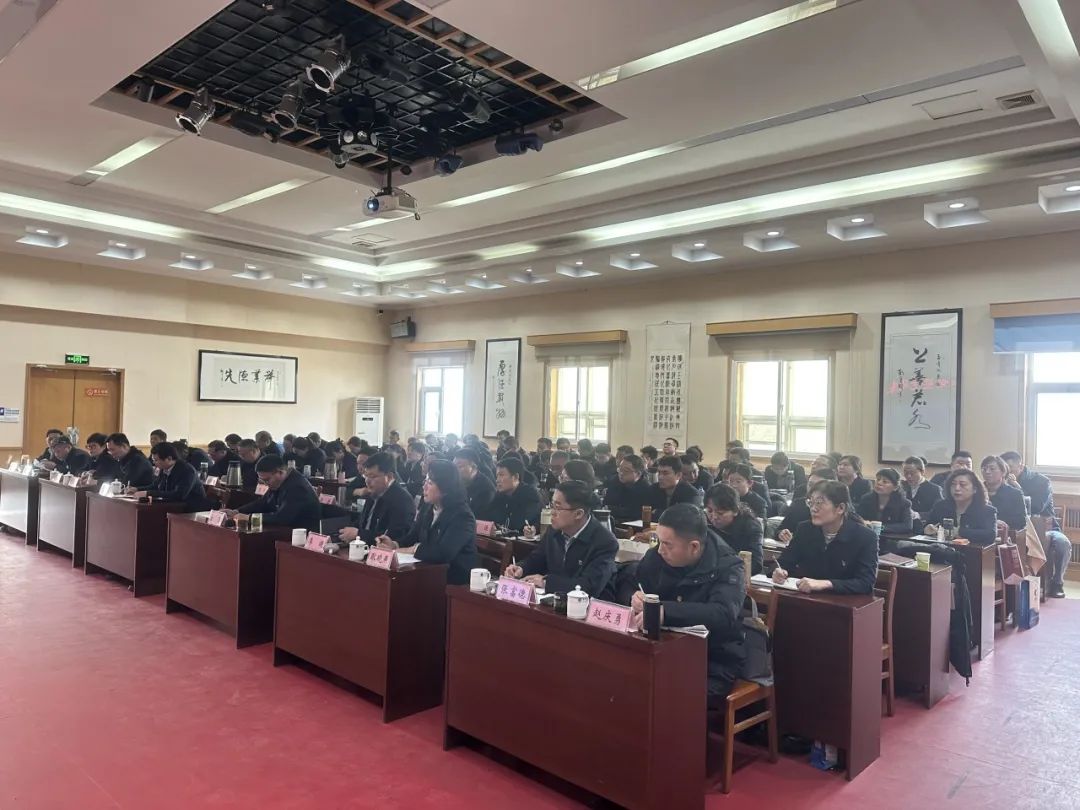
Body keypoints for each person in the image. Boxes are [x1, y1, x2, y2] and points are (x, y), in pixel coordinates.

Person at [616, 503, 747, 705]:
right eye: (659, 541)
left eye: (668, 544)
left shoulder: (728, 566)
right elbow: (628, 581)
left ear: (694, 547)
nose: (660, 550)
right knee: (622, 684)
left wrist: (665, 612)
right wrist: (633, 596)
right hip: (661, 650)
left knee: (671, 698)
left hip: (712, 659)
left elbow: (722, 613)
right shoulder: (658, 555)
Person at [505, 480, 618, 596]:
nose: (552, 512)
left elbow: (589, 586)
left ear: (578, 514)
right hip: (552, 599)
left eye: (557, 508)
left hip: (585, 604)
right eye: (552, 505)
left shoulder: (605, 542)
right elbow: (537, 558)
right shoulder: (554, 530)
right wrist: (521, 568)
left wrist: (546, 582)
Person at [375, 459, 477, 586]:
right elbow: (412, 537)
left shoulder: (462, 516)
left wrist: (411, 550)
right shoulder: (428, 507)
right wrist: (394, 545)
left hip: (452, 580)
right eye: (425, 481)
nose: (424, 487)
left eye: (430, 482)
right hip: (425, 572)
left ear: (446, 488)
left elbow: (443, 554)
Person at [773, 480, 878, 594]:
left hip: (843, 601)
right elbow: (784, 562)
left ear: (840, 508)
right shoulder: (805, 529)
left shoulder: (865, 537)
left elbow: (866, 583)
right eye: (810, 502)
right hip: (805, 598)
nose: (813, 508)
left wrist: (827, 584)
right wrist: (779, 572)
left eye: (819, 503)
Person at [1002, 450, 1069, 598]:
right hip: (1015, 528)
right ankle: (1011, 587)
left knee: (1062, 543)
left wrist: (1017, 488)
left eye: (1010, 468)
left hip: (1044, 528)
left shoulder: (1041, 481)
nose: (1007, 472)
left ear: (1021, 466)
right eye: (1004, 469)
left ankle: (1057, 583)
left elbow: (1036, 508)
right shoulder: (1000, 483)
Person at [339, 452, 415, 546]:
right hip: (361, 547)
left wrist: (358, 534)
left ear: (389, 477)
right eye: (366, 476)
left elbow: (393, 537)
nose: (367, 481)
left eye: (372, 476)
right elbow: (362, 524)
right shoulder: (374, 492)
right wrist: (346, 533)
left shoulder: (402, 500)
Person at [235, 455, 321, 531]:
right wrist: (237, 511)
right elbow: (263, 502)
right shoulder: (279, 482)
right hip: (284, 529)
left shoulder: (297, 487)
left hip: (301, 533)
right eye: (262, 480)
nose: (265, 484)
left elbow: (282, 518)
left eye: (267, 480)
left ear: (280, 472)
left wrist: (249, 517)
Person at [923, 469, 998, 546]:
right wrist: (927, 529)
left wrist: (959, 532)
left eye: (962, 485)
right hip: (942, 549)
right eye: (953, 484)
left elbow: (990, 535)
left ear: (975, 489)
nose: (957, 488)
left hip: (971, 551)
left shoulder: (987, 511)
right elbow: (929, 524)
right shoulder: (941, 506)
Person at [134, 442, 211, 512]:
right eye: (153, 460)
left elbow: (179, 495)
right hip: (173, 505)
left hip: (191, 509)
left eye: (156, 460)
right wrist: (137, 489)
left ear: (169, 459)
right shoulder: (164, 468)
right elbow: (156, 485)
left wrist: (148, 493)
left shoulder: (187, 470)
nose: (154, 463)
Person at [705, 483, 764, 575]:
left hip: (735, 576)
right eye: (709, 511)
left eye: (720, 513)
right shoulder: (703, 522)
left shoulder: (751, 527)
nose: (714, 517)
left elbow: (756, 564)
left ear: (735, 510)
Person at [776, 468, 837, 542]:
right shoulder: (798, 504)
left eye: (818, 486)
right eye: (810, 484)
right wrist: (781, 534)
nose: (812, 489)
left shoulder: (835, 508)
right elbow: (780, 529)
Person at [484, 457, 542, 532]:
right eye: (497, 476)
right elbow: (488, 518)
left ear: (515, 477)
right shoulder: (499, 495)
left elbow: (518, 525)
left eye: (501, 475)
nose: (497, 480)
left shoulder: (530, 495)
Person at [856, 468, 913, 534]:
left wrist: (881, 527)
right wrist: (863, 522)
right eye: (878, 479)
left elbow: (907, 526)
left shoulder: (904, 503)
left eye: (885, 482)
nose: (879, 483)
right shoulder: (866, 499)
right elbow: (857, 519)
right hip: (867, 535)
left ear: (895, 487)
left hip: (891, 537)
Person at [981, 455, 1027, 533]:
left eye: (992, 469)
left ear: (1003, 472)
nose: (987, 472)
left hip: (1006, 534)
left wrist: (995, 522)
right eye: (984, 469)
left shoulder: (1015, 494)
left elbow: (1021, 522)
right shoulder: (976, 491)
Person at [603, 454, 653, 524]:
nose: (621, 473)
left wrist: (611, 509)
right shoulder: (616, 481)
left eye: (626, 471)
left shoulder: (646, 489)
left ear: (638, 473)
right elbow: (606, 503)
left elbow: (634, 513)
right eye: (620, 469)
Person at [453, 448, 495, 517]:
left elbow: (475, 517)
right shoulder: (455, 482)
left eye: (459, 467)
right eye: (454, 467)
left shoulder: (485, 490)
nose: (455, 471)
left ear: (473, 466)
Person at [901, 456, 943, 522]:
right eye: (906, 473)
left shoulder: (935, 489)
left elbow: (939, 512)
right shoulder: (900, 487)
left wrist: (918, 515)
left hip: (924, 525)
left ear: (922, 472)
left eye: (912, 473)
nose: (908, 476)